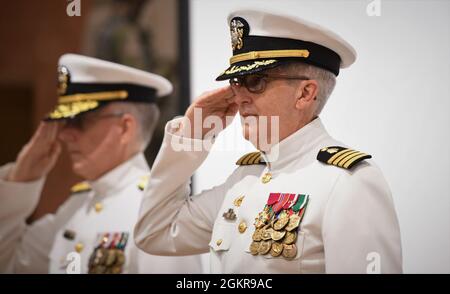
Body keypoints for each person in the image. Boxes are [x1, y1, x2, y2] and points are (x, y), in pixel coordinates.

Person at [134, 10, 403, 273]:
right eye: (237, 82)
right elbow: (155, 232)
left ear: (305, 93)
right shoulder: (245, 179)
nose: (239, 96)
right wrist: (192, 134)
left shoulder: (349, 182)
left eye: (255, 81)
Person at [0, 54, 203, 274]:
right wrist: (20, 178)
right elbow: (9, 263)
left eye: (79, 121)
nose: (65, 134)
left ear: (125, 128)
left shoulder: (157, 212)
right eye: (65, 121)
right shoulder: (75, 207)